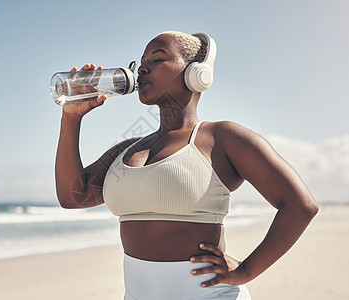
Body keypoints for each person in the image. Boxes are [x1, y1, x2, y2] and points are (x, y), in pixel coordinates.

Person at [54, 31, 319, 300]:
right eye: (141, 60)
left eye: (157, 59)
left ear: (195, 73)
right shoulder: (127, 149)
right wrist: (71, 117)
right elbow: (73, 197)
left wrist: (247, 270)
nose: (142, 67)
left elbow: (300, 205)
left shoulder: (222, 138)